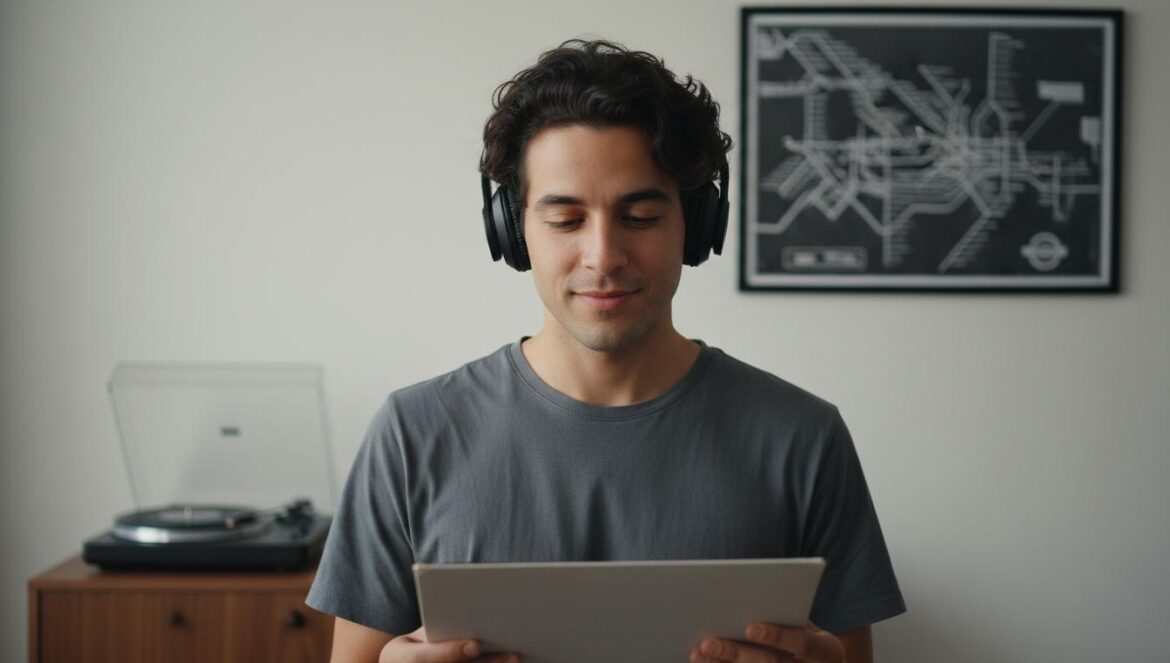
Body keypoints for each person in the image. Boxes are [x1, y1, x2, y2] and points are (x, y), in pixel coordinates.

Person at [307, 39, 906, 663]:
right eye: (565, 221)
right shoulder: (411, 433)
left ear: (696, 226)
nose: (603, 257)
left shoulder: (803, 436)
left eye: (641, 216)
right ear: (513, 232)